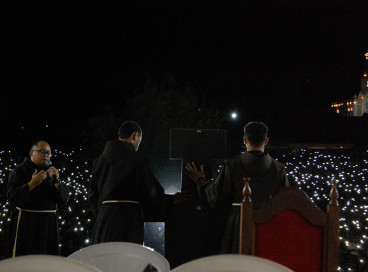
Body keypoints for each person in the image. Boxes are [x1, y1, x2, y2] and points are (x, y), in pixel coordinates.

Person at [186, 121, 289, 253]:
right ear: (266, 140)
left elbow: (216, 197)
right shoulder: (279, 169)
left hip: (238, 230)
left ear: (245, 140)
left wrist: (200, 180)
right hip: (269, 231)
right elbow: (285, 203)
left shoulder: (233, 166)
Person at [88, 121, 168, 245]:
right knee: (127, 260)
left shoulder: (98, 162)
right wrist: (170, 202)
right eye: (139, 141)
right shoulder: (137, 159)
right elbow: (149, 191)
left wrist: (102, 215)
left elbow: (92, 195)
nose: (138, 145)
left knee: (104, 259)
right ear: (135, 136)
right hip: (128, 220)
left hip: (104, 221)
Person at [6, 140, 69, 257]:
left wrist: (57, 182)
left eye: (48, 152)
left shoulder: (52, 172)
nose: (46, 155)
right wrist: (31, 184)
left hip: (48, 225)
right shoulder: (19, 171)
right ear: (31, 153)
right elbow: (12, 198)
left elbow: (63, 200)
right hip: (26, 224)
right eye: (41, 151)